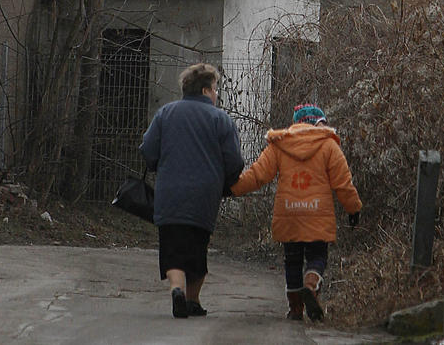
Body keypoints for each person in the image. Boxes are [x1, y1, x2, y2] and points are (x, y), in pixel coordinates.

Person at [230, 102, 362, 322]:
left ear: (296, 123)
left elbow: (258, 175)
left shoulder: (280, 145)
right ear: (319, 123)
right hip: (318, 214)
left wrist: (233, 188)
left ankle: (295, 309)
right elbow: (343, 183)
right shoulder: (329, 146)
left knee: (291, 261)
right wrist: (353, 207)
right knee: (317, 256)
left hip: (288, 213)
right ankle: (311, 285)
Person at [139, 62, 243, 319]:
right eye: (215, 88)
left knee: (172, 248)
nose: (216, 93)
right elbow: (235, 162)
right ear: (207, 90)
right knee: (198, 248)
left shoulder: (166, 113)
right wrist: (227, 182)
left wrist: (158, 166)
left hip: (170, 193)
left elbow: (148, 150)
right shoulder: (221, 120)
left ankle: (176, 289)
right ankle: (193, 300)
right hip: (204, 197)